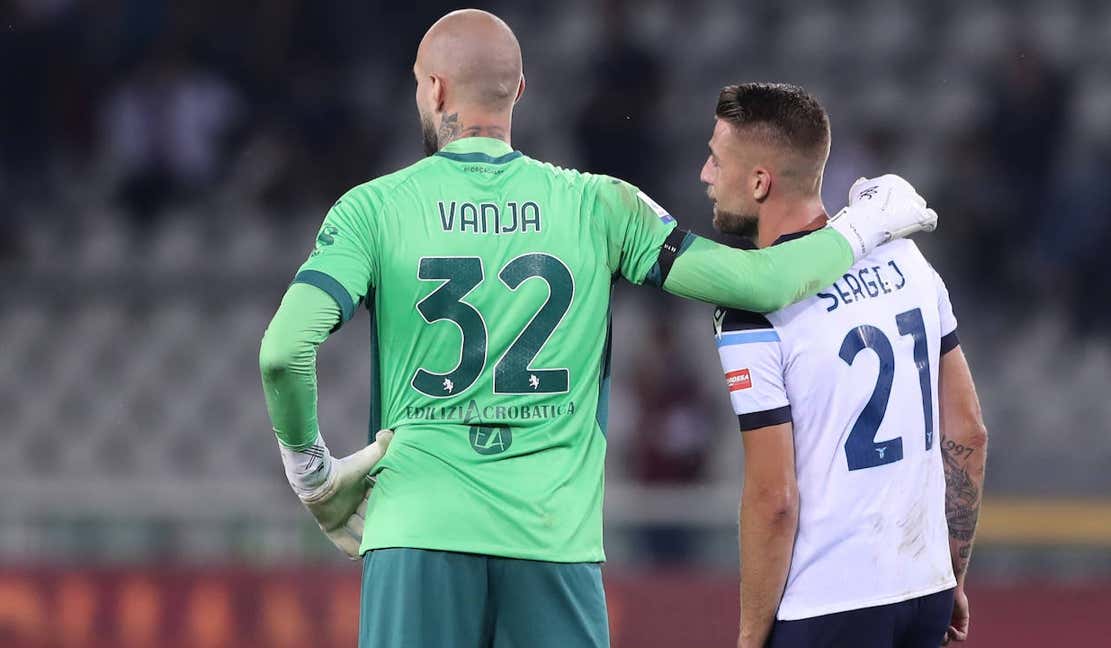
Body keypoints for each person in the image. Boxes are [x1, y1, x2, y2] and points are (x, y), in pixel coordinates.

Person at [259, 11, 937, 648]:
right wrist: (864, 225)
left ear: (434, 89)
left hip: (417, 531)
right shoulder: (600, 204)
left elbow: (285, 354)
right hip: (554, 541)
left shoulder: (373, 209)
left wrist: (313, 472)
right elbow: (757, 283)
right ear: (519, 91)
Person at [703, 83, 987, 648]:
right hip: (922, 590)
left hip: (825, 604)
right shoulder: (907, 260)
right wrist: (950, 571)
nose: (705, 174)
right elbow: (969, 433)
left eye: (716, 158)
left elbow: (773, 499)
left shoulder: (754, 311)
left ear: (760, 181)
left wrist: (750, 636)